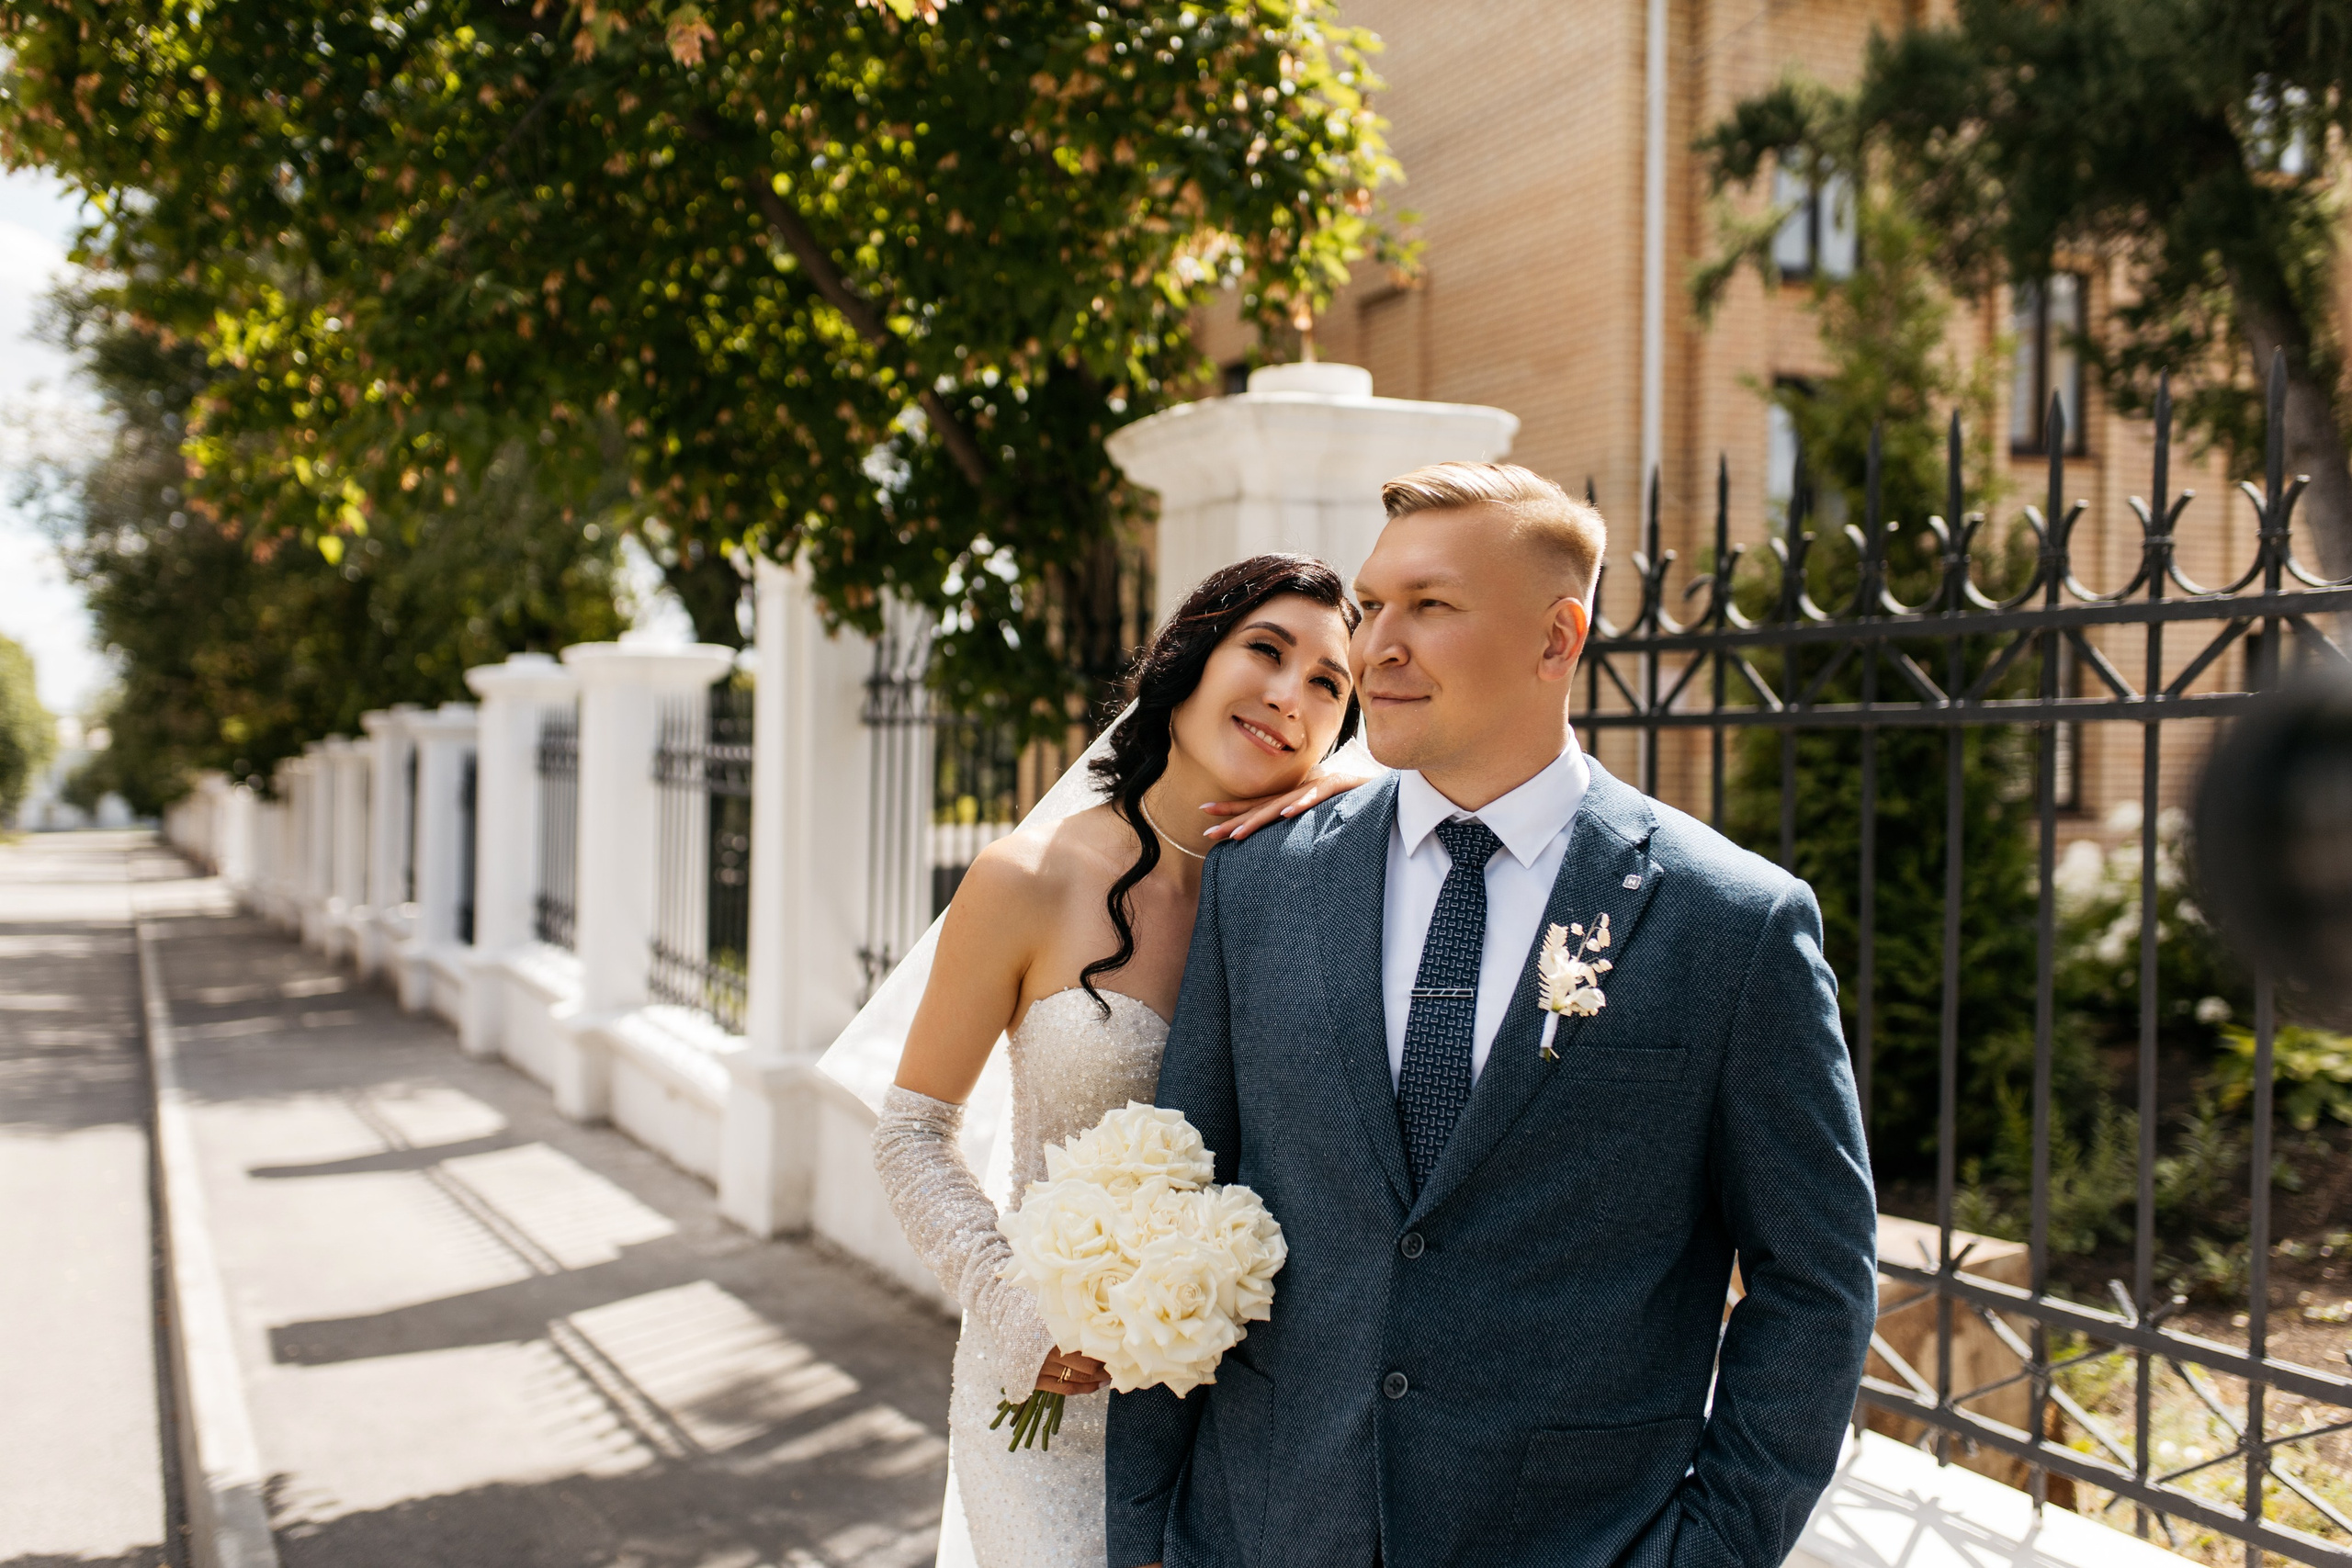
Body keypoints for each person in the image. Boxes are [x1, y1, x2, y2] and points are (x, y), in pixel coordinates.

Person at [1106, 463, 1879, 1568]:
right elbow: (1178, 1201)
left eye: (1431, 606)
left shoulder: (1732, 923)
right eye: (1374, 606)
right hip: (1259, 1528)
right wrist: (1140, 1537)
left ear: (1555, 639)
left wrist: (1710, 1550)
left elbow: (1815, 1278)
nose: (1376, 646)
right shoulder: (1261, 881)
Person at [873, 555, 1372, 1568]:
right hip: (1052, 1397)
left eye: (1330, 685)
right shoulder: (1031, 877)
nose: (1290, 696)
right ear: (1189, 659)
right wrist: (1020, 1308)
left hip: (1253, 1414)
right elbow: (910, 1133)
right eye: (1266, 652)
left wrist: (1343, 793)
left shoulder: (1323, 895)